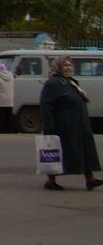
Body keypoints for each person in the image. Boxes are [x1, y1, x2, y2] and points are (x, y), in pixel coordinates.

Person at [40, 56, 102, 190]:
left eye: (70, 66)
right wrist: (49, 126)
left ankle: (90, 179)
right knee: (56, 153)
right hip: (64, 126)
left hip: (79, 124)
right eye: (65, 66)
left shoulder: (71, 82)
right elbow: (46, 105)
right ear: (58, 67)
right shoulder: (53, 83)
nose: (68, 68)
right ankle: (51, 181)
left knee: (85, 151)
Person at [0, 62, 15, 134]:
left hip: (0, 100)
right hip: (9, 99)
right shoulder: (11, 76)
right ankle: (9, 129)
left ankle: (1, 130)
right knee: (9, 115)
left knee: (0, 116)